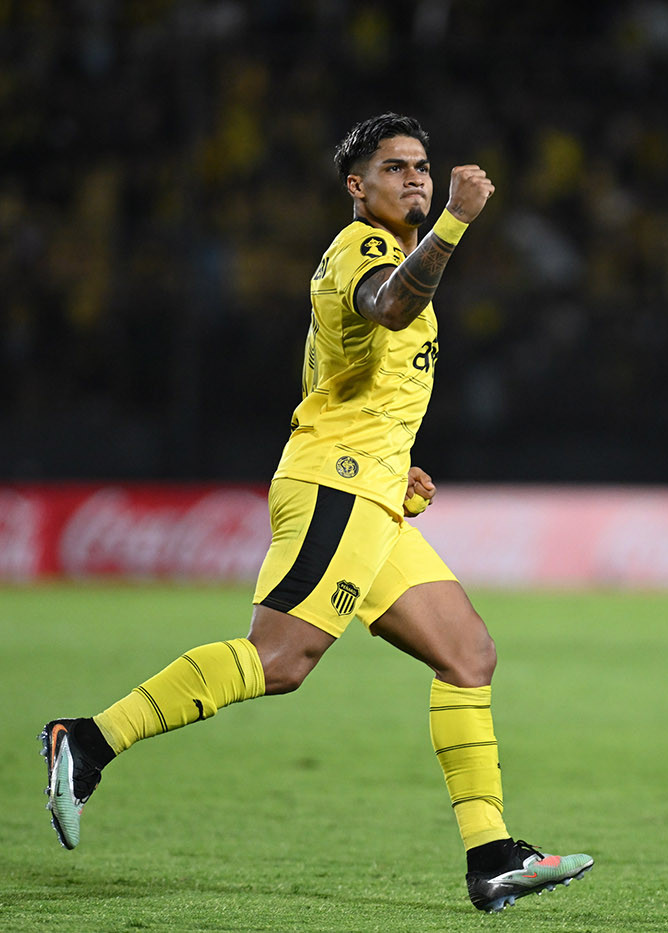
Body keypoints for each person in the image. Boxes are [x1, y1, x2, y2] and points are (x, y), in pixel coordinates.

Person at [39, 113, 592, 913]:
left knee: (468, 653)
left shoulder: (399, 253)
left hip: (370, 487)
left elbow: (351, 379)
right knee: (280, 659)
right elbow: (390, 309)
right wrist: (457, 222)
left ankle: (493, 854)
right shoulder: (363, 247)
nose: (416, 179)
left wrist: (398, 464)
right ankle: (85, 741)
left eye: (424, 168)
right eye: (395, 168)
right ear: (357, 187)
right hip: (335, 485)